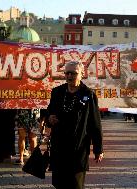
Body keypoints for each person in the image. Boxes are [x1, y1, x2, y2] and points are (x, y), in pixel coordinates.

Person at [48, 61, 103, 189]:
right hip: (59, 146)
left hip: (78, 148)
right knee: (59, 183)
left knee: (75, 184)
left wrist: (98, 148)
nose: (69, 76)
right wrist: (50, 118)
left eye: (73, 73)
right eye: (67, 73)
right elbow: (49, 111)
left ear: (82, 74)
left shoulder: (88, 94)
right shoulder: (57, 92)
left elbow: (95, 123)